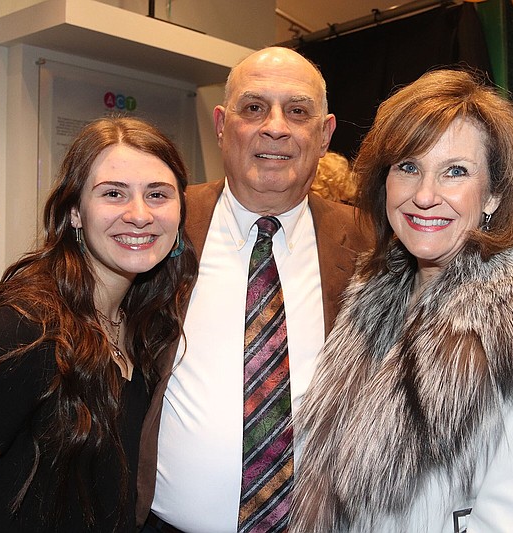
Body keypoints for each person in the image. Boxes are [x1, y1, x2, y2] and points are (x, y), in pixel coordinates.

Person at [290, 69, 513, 532]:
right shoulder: (368, 300)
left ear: (492, 195)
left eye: (455, 172)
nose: (425, 196)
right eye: (408, 167)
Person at [0, 117, 198, 532]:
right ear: (74, 212)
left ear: (180, 210)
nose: (140, 215)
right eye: (113, 193)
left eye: (158, 195)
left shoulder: (144, 324)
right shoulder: (24, 330)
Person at [137, 47, 373, 532]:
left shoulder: (371, 243)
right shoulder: (162, 224)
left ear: (324, 134)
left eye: (298, 111)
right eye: (253, 107)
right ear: (223, 124)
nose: (275, 127)